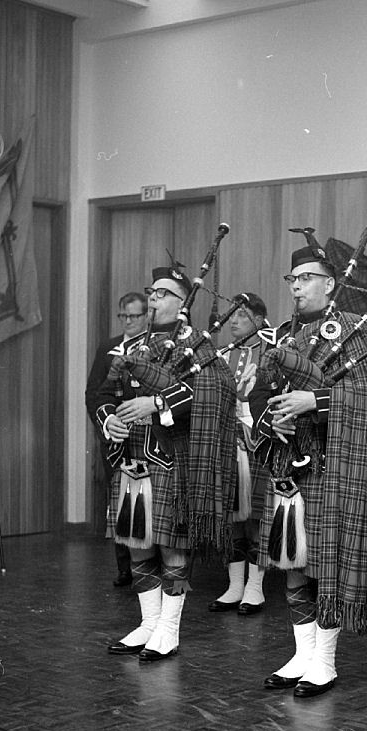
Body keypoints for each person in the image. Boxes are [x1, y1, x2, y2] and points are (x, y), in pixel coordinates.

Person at [247, 232, 367, 697]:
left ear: (330, 284)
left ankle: (325, 662)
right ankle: (302, 654)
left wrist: (316, 401)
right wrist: (272, 419)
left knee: (325, 565)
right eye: (292, 279)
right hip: (288, 465)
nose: (297, 286)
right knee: (293, 562)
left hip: (334, 466)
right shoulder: (281, 336)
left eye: (307, 278)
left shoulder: (354, 329)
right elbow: (258, 395)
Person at [94, 266, 237, 661]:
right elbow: (104, 393)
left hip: (171, 457)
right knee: (137, 544)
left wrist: (157, 402)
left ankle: (169, 630)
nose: (153, 298)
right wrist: (109, 420)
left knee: (173, 547)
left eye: (163, 293)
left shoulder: (199, 345)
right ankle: (149, 623)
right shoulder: (133, 345)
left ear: (183, 302)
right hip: (130, 458)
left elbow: (216, 390)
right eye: (152, 292)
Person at [208, 293, 272, 617]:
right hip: (227, 441)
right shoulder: (221, 354)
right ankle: (234, 586)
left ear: (259, 320)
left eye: (242, 315)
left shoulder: (271, 353)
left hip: (259, 441)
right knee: (231, 515)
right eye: (232, 315)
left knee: (257, 516)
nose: (233, 320)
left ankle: (254, 588)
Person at [84, 291, 148, 588]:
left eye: (134, 316)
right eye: (123, 316)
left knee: (144, 500)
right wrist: (105, 427)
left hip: (146, 437)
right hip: (114, 438)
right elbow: (94, 393)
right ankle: (125, 567)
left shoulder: (153, 346)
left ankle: (148, 564)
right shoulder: (108, 347)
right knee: (119, 501)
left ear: (146, 316)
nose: (128, 321)